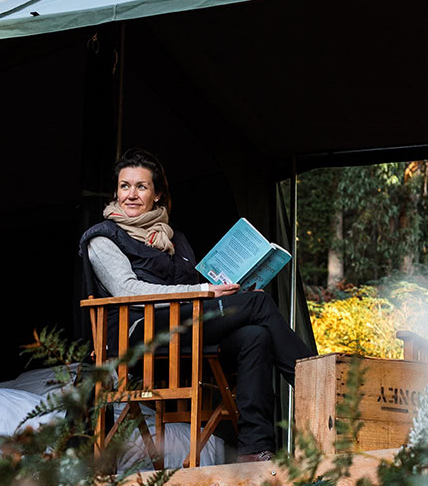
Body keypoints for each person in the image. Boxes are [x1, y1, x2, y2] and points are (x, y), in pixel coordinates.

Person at [78, 148, 315, 463]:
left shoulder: (175, 241)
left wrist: (233, 290)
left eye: (141, 187)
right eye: (124, 186)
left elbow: (199, 288)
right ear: (115, 192)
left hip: (182, 332)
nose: (131, 195)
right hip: (138, 336)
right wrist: (204, 290)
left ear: (158, 195)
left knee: (256, 335)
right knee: (257, 304)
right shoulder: (103, 239)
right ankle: (322, 387)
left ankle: (255, 450)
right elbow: (127, 289)